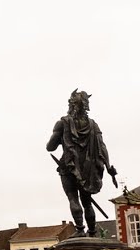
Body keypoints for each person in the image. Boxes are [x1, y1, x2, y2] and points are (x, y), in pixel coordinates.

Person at [45, 89, 117, 236]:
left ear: (71, 105)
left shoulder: (62, 123)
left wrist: (60, 138)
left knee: (72, 197)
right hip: (87, 169)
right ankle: (92, 231)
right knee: (87, 202)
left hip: (68, 166)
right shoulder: (93, 125)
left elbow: (50, 147)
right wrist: (109, 168)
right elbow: (102, 147)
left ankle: (80, 229)